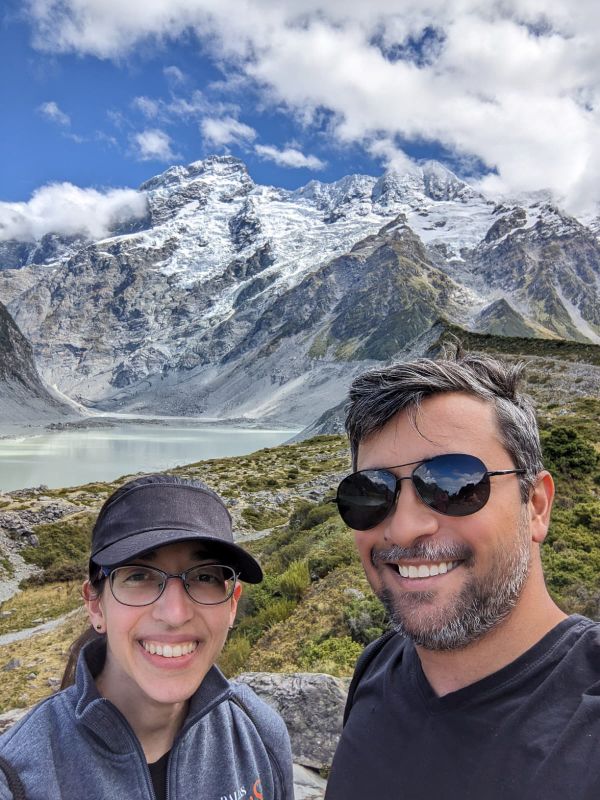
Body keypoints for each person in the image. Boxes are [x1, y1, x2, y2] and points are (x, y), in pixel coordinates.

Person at [326, 353, 600, 800]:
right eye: (371, 493)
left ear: (536, 506)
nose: (404, 527)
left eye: (454, 484)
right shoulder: (377, 670)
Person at [0, 474, 294, 800]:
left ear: (232, 605)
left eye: (204, 576)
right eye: (139, 575)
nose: (175, 613)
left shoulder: (258, 735)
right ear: (96, 605)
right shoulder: (17, 776)